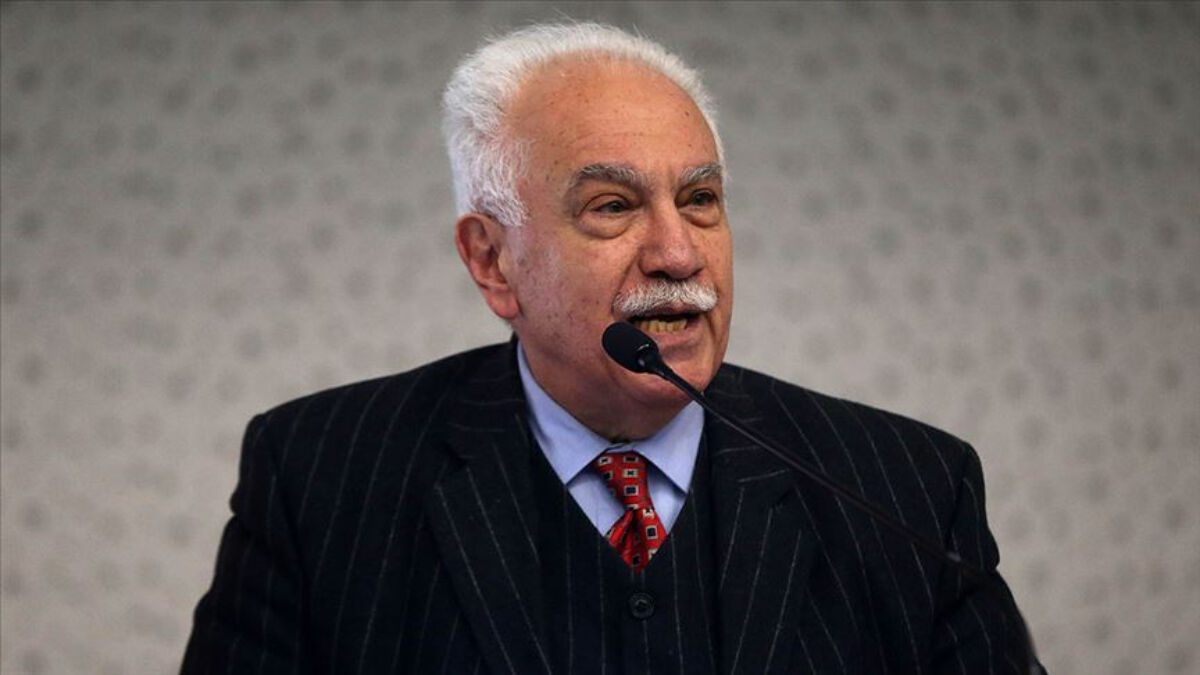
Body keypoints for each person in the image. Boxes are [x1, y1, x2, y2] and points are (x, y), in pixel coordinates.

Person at [183, 23, 1039, 674]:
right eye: (613, 207)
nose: (678, 253)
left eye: (699, 199)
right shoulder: (319, 473)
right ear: (493, 260)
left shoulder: (910, 487)